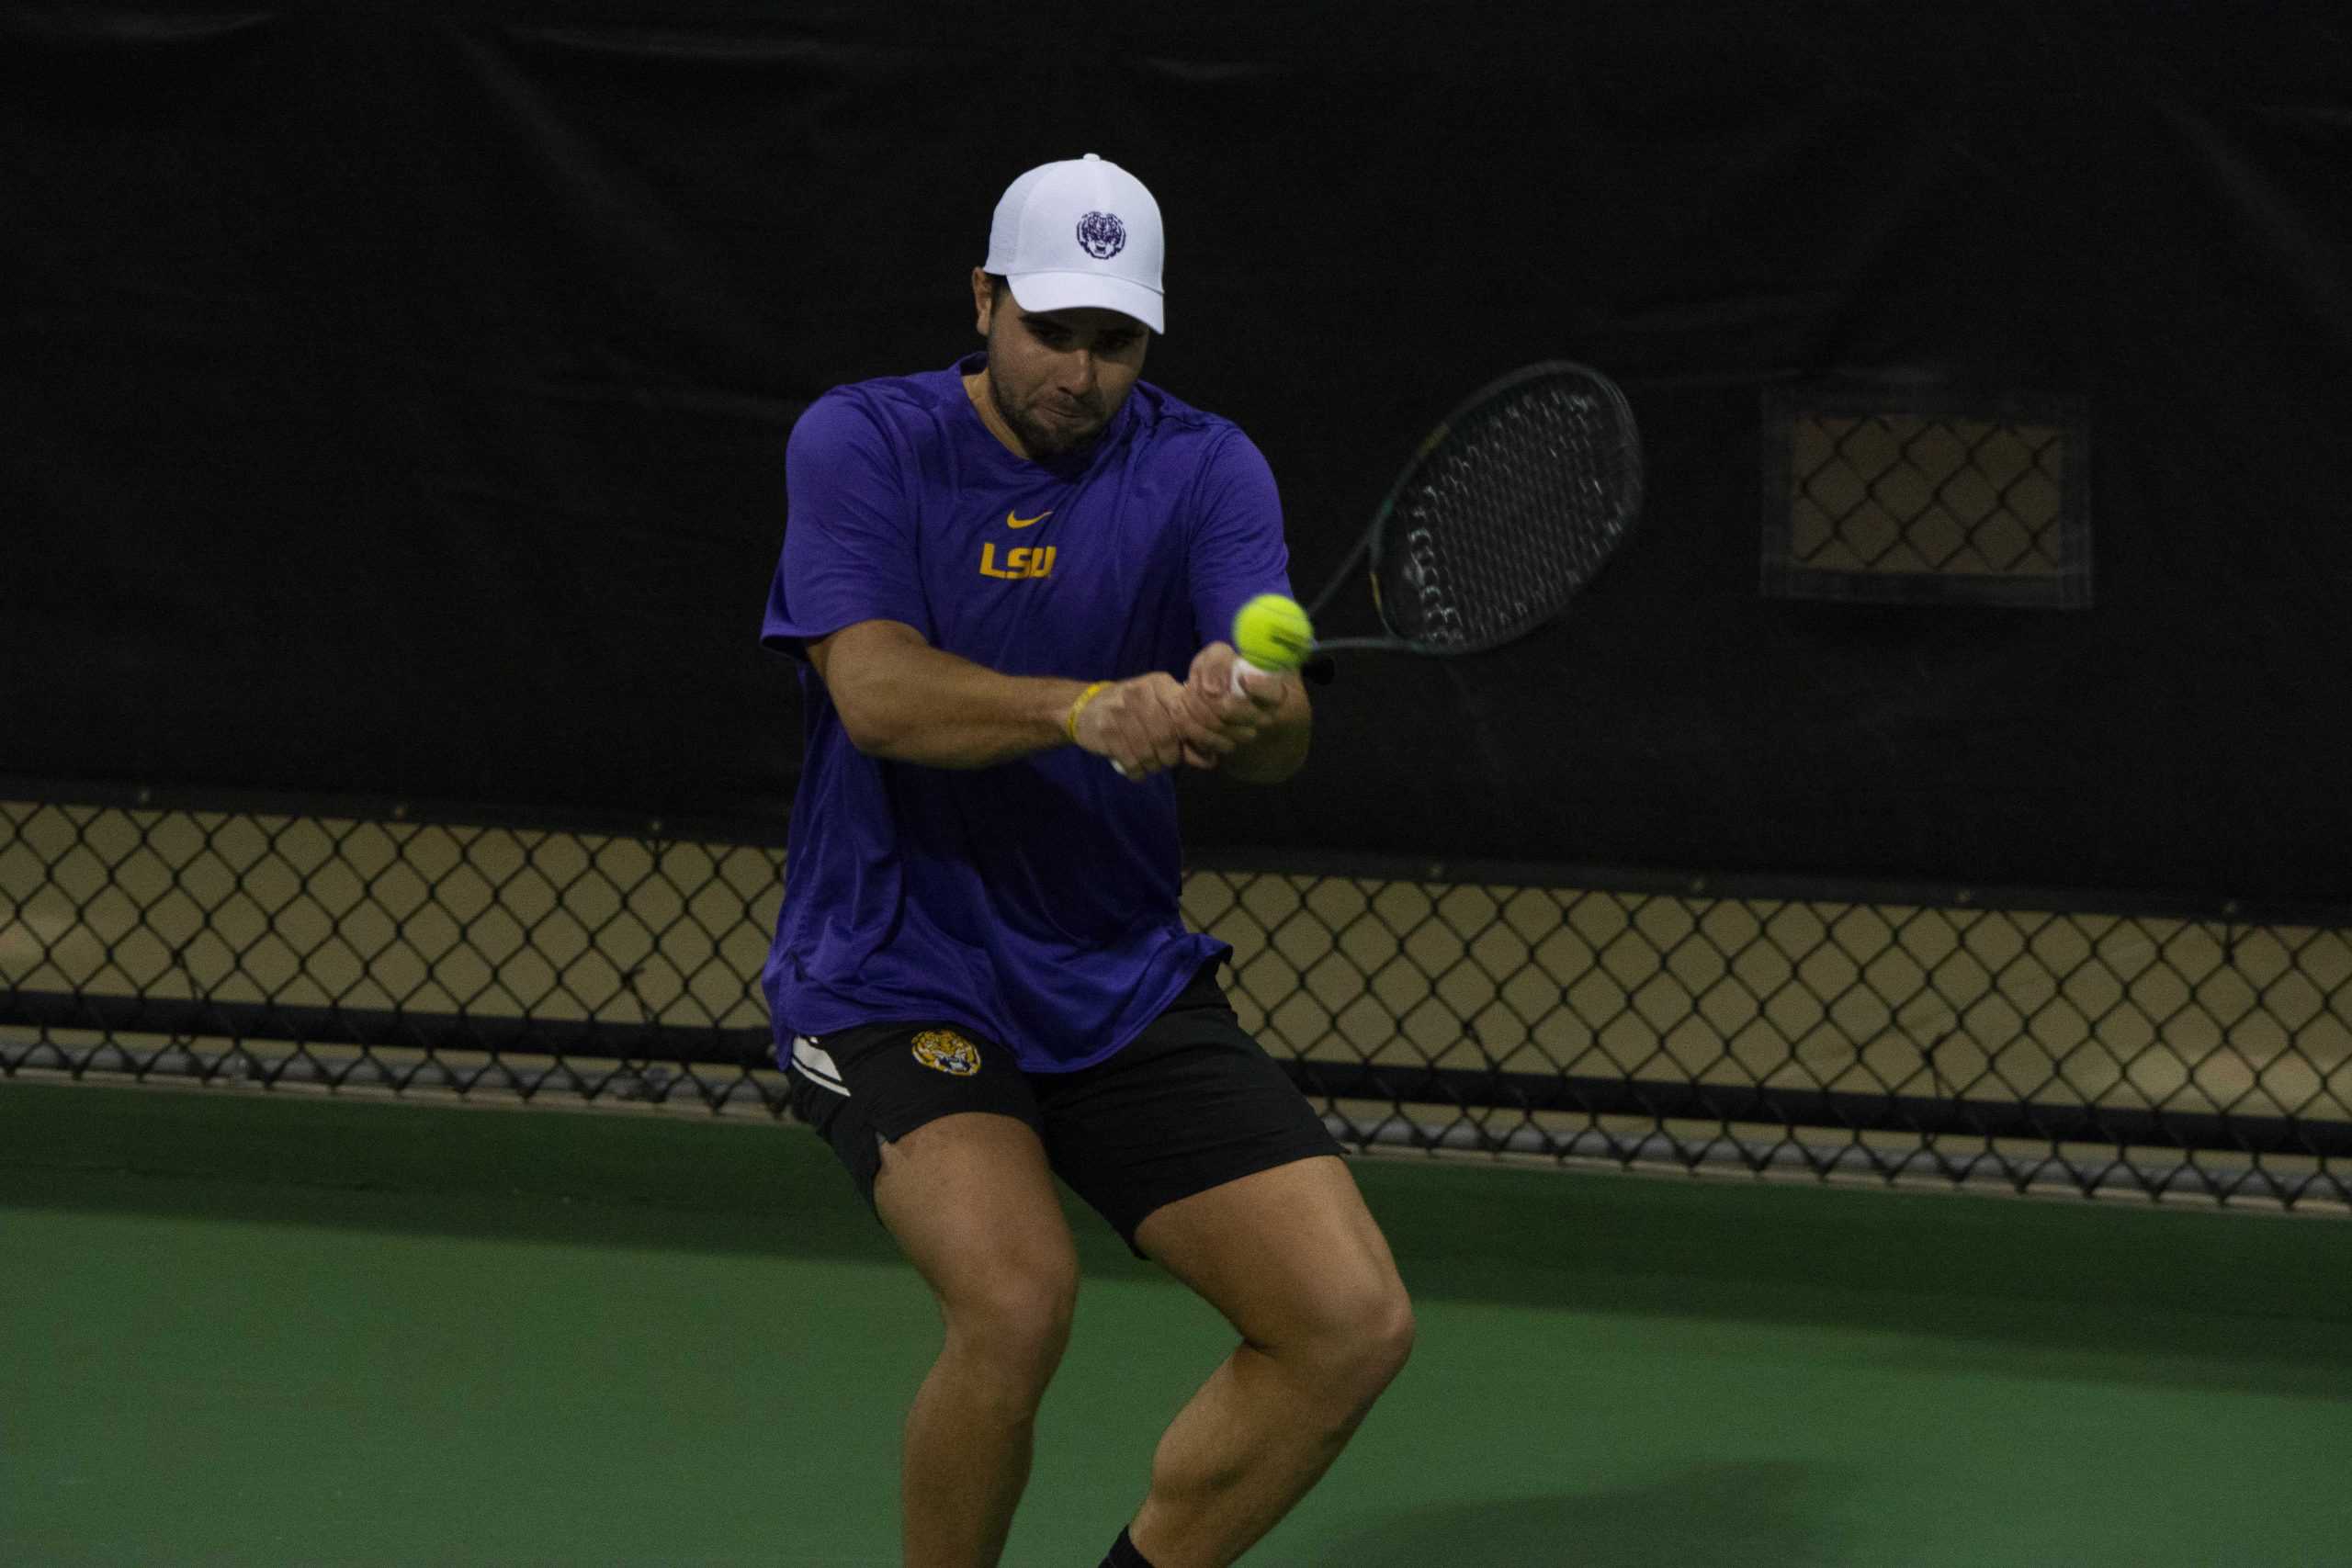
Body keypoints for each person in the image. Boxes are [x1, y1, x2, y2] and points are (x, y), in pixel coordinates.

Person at [757, 153, 1414, 1568]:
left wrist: (1246, 709)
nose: (1082, 371)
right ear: (985, 300)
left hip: (1114, 980)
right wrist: (1083, 710)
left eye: (1116, 342)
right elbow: (873, 692)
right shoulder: (860, 442)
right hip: (894, 966)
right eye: (1052, 331)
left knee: (1347, 1324)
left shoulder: (1206, 468)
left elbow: (1281, 728)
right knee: (1016, 1299)